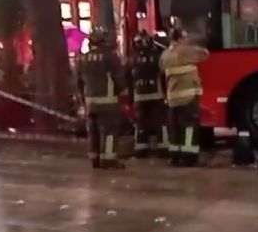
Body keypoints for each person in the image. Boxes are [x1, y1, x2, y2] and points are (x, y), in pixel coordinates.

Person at [76, 26, 128, 170]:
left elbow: (79, 83)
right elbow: (119, 80)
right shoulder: (111, 57)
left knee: (93, 132)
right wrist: (123, 96)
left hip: (90, 103)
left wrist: (83, 100)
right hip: (108, 102)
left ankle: (95, 158)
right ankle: (109, 159)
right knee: (109, 131)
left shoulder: (83, 59)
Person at [159, 28, 209, 167]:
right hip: (188, 96)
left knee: (175, 128)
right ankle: (189, 157)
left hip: (173, 98)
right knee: (189, 127)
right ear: (180, 38)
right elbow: (205, 54)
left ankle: (175, 157)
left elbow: (162, 71)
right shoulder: (185, 50)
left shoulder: (165, 54)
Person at [130, 30, 167, 158]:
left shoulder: (133, 57)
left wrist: (130, 98)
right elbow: (163, 74)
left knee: (141, 124)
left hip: (139, 96)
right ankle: (164, 149)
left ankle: (141, 149)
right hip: (156, 94)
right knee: (160, 123)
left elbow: (128, 77)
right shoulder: (157, 55)